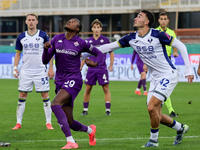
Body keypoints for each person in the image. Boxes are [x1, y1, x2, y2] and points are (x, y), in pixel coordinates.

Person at [83, 10, 194, 147]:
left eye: (139, 16)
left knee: (152, 107)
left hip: (168, 75)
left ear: (146, 22)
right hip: (154, 79)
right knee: (155, 113)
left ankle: (153, 141)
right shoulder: (131, 38)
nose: (135, 18)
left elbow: (180, 45)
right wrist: (82, 54)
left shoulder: (157, 34)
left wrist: (188, 68)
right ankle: (180, 128)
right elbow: (108, 47)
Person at [42, 18, 103, 149]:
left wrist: (95, 63)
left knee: (55, 104)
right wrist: (45, 49)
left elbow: (98, 53)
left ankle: (71, 142)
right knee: (69, 122)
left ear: (77, 29)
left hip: (74, 79)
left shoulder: (81, 43)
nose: (70, 21)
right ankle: (91, 130)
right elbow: (45, 60)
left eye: (74, 21)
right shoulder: (56, 39)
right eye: (70, 20)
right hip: (60, 81)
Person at [12, 13, 54, 130]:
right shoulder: (21, 37)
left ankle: (48, 123)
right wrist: (15, 68)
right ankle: (18, 123)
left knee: (45, 95)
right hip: (26, 71)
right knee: (22, 95)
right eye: (29, 20)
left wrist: (51, 67)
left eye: (33, 20)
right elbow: (18, 53)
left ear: (37, 22)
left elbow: (50, 52)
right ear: (26, 22)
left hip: (41, 70)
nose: (31, 22)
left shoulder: (43, 35)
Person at [80, 19, 114, 116]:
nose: (96, 29)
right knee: (88, 89)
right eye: (94, 27)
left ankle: (108, 110)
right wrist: (81, 67)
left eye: (98, 27)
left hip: (102, 68)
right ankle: (85, 109)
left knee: (105, 88)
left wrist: (111, 64)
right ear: (92, 29)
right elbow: (84, 56)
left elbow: (111, 53)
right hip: (91, 69)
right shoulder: (88, 41)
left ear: (101, 29)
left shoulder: (106, 40)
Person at [156, 11, 178, 117]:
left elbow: (175, 45)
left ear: (168, 21)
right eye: (162, 19)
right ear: (159, 20)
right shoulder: (154, 32)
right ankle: (169, 109)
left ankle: (168, 108)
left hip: (167, 61)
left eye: (165, 19)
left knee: (165, 85)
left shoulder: (172, 33)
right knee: (161, 85)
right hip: (157, 62)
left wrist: (175, 51)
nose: (163, 21)